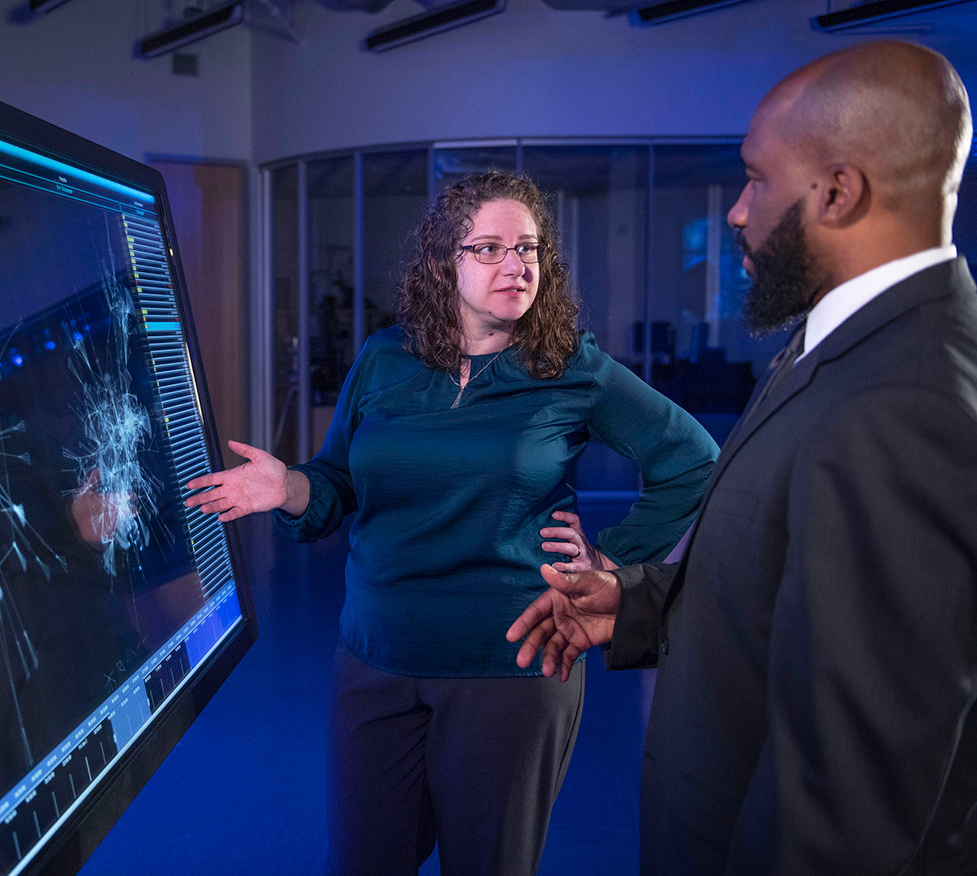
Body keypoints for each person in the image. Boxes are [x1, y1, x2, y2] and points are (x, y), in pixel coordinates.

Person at [508, 40, 977, 876]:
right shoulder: (836, 345)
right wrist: (640, 604)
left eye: (756, 179)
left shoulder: (907, 407)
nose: (734, 211)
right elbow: (784, 581)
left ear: (836, 193)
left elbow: (850, 798)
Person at [185, 171, 718, 876]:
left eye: (527, 248)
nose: (516, 265)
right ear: (445, 262)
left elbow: (692, 460)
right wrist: (287, 486)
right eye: (490, 248)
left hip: (513, 664)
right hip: (375, 658)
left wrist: (614, 561)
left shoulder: (569, 367)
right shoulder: (382, 360)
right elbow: (337, 484)